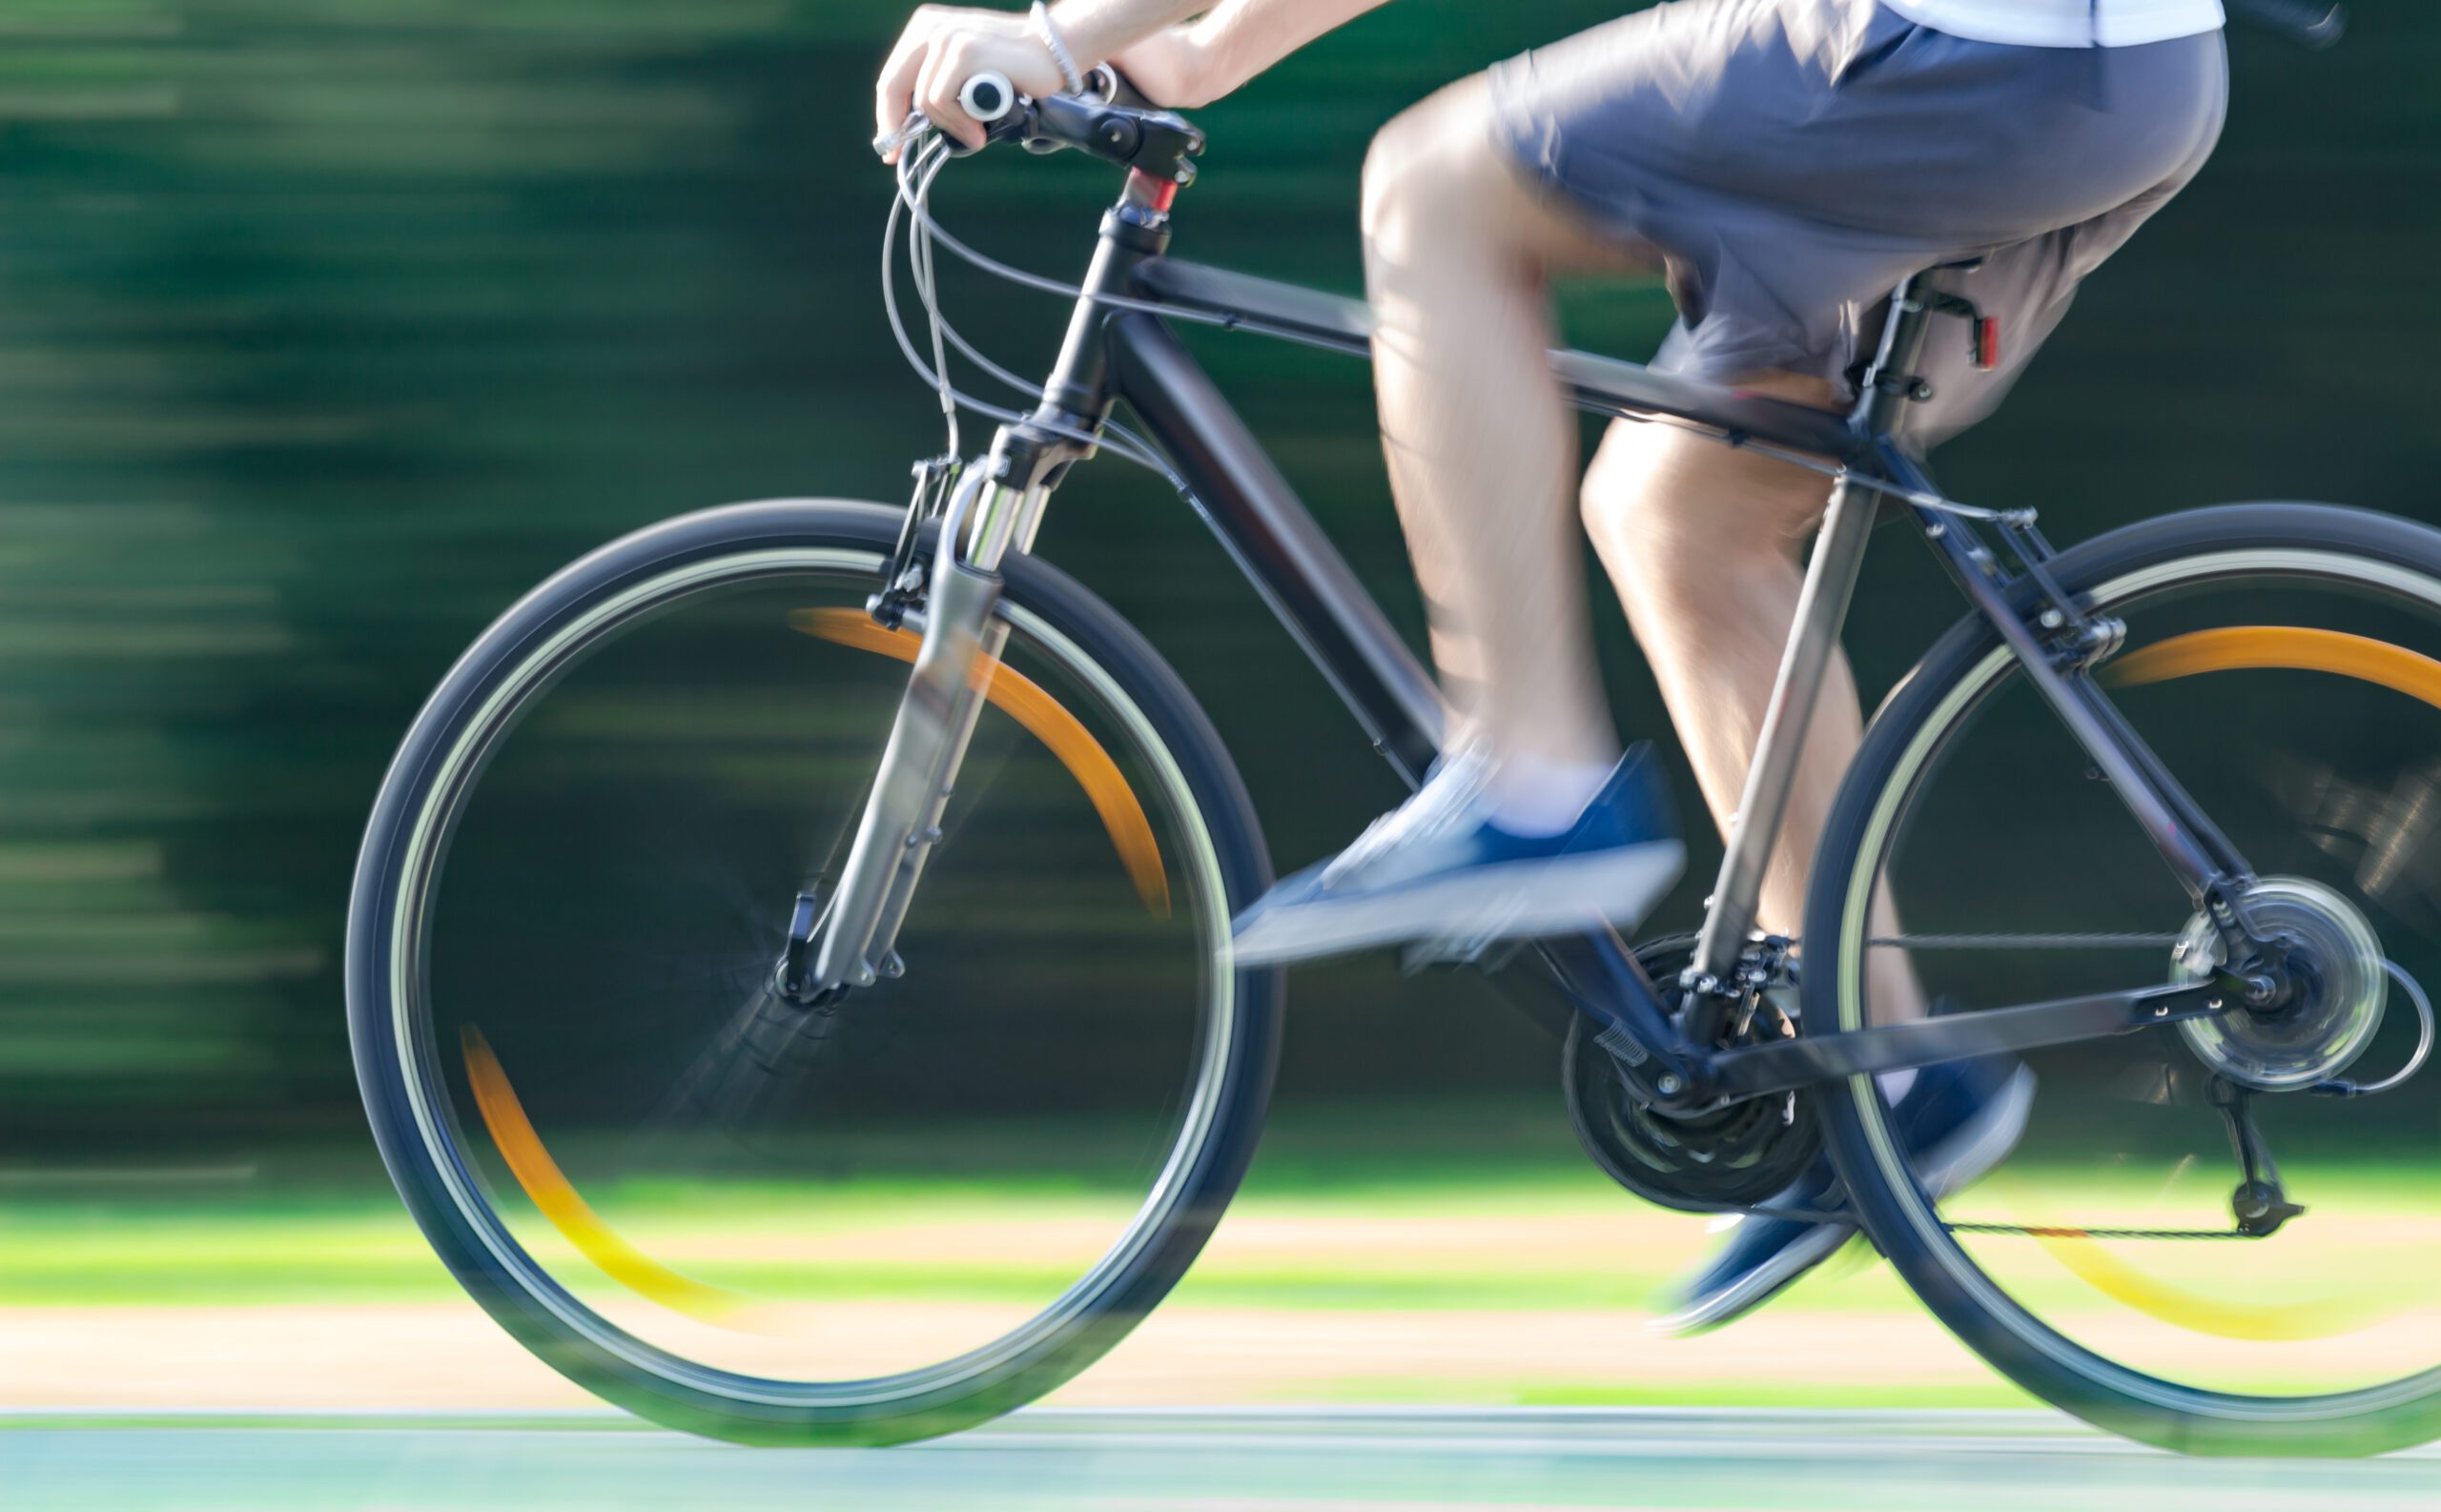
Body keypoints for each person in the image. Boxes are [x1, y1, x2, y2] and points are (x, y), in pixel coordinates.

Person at [874, 0, 2229, 1329]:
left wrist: (1060, 38)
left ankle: (1525, 780)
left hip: (1972, 50)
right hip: (2112, 78)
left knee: (1437, 184)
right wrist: (1195, 48)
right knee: (1680, 515)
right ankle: (1884, 1064)